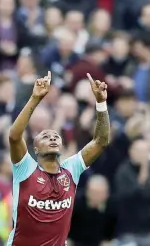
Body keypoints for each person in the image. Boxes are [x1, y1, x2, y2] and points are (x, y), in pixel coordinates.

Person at [6, 71, 110, 246]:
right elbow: (14, 136)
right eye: (46, 136)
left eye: (56, 137)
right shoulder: (25, 169)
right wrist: (35, 98)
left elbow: (101, 141)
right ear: (35, 148)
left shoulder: (71, 170)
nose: (53, 138)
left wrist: (100, 103)